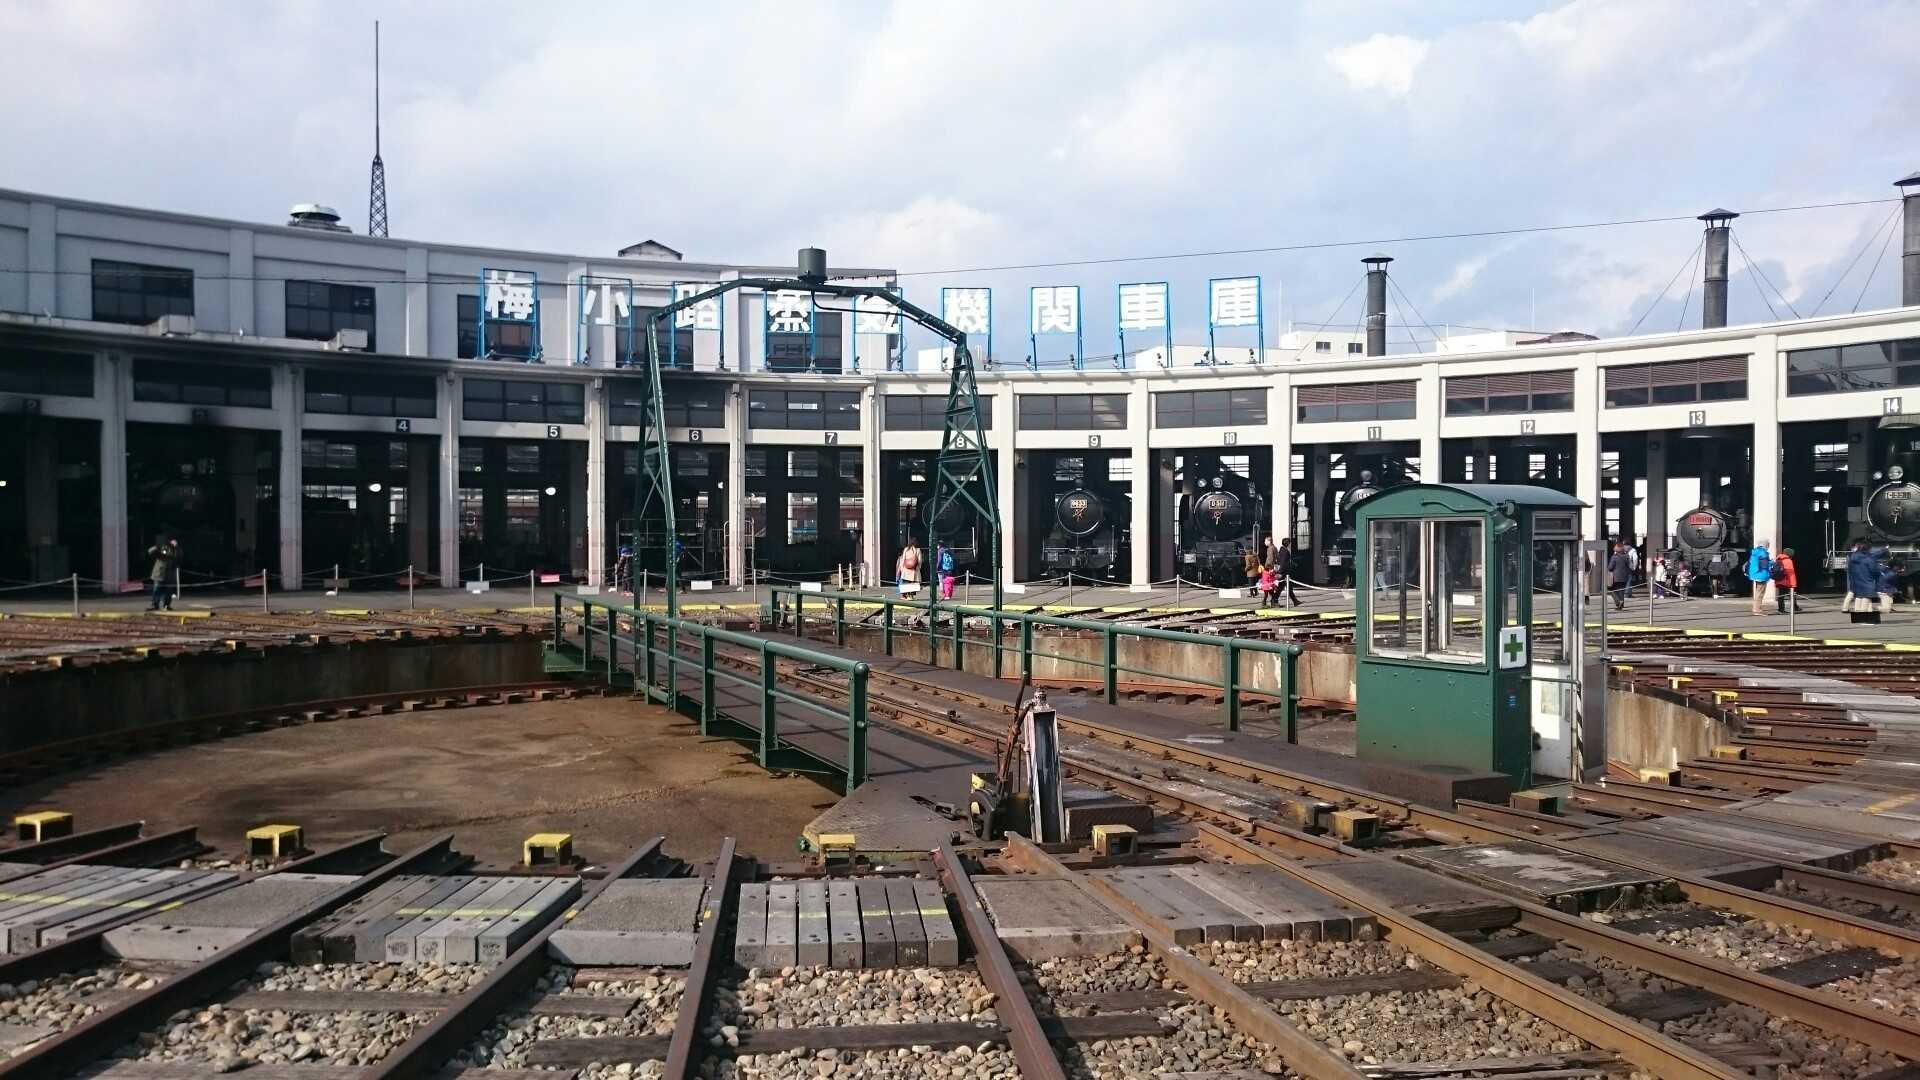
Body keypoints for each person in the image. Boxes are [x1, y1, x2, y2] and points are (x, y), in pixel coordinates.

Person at [1846, 540, 1879, 623]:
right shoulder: (1868, 558)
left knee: (1858, 597)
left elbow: (1849, 569)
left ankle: (1857, 617)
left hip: (1856, 580)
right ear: (1868, 549)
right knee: (1866, 598)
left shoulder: (1852, 557)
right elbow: (1874, 570)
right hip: (1867, 580)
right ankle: (1864, 619)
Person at [146, 536, 180, 611]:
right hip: (159, 573)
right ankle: (155, 605)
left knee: (168, 591)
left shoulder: (175, 550)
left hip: (169, 574)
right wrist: (158, 546)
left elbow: (179, 556)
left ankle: (167, 605)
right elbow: (150, 551)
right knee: (156, 590)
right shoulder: (161, 547)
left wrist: (176, 547)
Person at [1746, 540, 1773, 617]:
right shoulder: (1763, 553)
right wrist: (1772, 563)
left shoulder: (1755, 552)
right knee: (1760, 593)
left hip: (1755, 574)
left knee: (1758, 592)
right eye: (1768, 544)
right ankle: (1757, 610)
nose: (1768, 546)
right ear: (1765, 545)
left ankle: (1756, 608)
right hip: (1762, 574)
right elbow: (1765, 565)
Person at [1607, 541, 1632, 611]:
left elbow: (1610, 567)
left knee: (1611, 590)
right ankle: (1621, 604)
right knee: (1621, 590)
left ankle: (1618, 602)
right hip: (1624, 576)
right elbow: (1628, 565)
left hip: (1616, 576)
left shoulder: (1614, 557)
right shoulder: (1626, 556)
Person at [1774, 547, 1799, 613]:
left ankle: (1781, 609)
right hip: (1787, 581)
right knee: (1792, 594)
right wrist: (1793, 583)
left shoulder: (1778, 559)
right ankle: (1794, 607)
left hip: (1779, 580)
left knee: (1781, 596)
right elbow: (1790, 573)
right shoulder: (1788, 561)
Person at [1277, 537, 1300, 606]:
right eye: (1290, 543)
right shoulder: (1285, 551)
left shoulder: (1283, 550)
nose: (1290, 544)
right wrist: (1280, 572)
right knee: (1285, 587)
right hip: (1285, 573)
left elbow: (1283, 561)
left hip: (1284, 572)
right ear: (1287, 543)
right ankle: (1274, 600)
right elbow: (1283, 562)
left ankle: (1295, 601)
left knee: (1282, 587)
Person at [1877, 547, 1898, 615]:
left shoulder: (1886, 567)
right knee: (1886, 609)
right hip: (1883, 588)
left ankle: (1888, 607)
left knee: (1890, 598)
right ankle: (1878, 608)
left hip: (1887, 587)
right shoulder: (1883, 567)